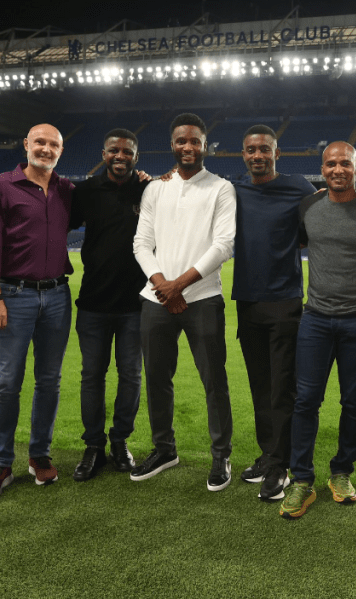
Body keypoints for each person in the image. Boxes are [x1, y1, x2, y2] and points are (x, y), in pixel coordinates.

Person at [278, 142, 356, 519]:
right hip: (315, 318)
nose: (337, 170)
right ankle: (301, 479)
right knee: (305, 401)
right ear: (322, 168)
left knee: (353, 402)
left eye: (344, 164)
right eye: (331, 164)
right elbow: (295, 240)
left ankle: (341, 472)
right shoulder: (309, 207)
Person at [131, 113, 237, 492]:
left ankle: (221, 455)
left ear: (205, 145)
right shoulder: (155, 190)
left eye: (195, 141)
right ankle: (165, 449)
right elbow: (141, 243)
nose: (188, 147)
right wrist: (163, 285)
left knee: (214, 380)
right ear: (172, 145)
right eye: (181, 141)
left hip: (204, 299)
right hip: (155, 299)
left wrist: (180, 286)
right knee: (157, 379)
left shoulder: (221, 188)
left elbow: (223, 245)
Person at [0, 123, 74, 499]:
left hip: (57, 296)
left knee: (49, 381)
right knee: (6, 383)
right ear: (26, 144)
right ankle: (1, 463)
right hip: (13, 296)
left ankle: (39, 455)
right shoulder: (2, 186)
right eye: (40, 143)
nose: (46, 149)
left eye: (54, 145)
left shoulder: (66, 190)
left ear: (61, 151)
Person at [232, 125, 317, 501]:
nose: (258, 156)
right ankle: (269, 455)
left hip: (285, 302)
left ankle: (282, 466)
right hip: (247, 301)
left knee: (283, 388)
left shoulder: (298, 187)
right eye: (251, 150)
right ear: (244, 154)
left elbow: (323, 221)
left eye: (264, 149)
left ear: (276, 153)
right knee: (260, 387)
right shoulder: (233, 191)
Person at [68, 128, 148, 482]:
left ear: (135, 156)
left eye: (127, 152)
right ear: (104, 154)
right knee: (92, 377)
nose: (120, 156)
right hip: (94, 304)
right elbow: (55, 226)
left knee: (131, 376)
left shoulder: (148, 191)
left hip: (136, 306)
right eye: (114, 150)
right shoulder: (83, 192)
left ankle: (119, 442)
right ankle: (93, 446)